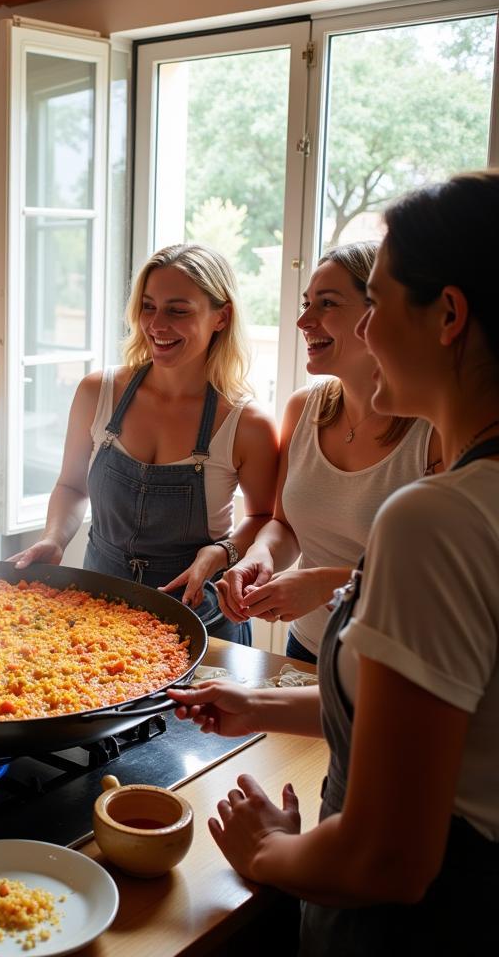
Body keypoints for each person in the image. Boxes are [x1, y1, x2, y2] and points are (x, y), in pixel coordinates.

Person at [168, 172, 499, 954]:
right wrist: (256, 707)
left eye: (375, 305)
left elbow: (386, 859)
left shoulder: (435, 517)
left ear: (448, 314)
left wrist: (268, 852)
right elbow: (434, 730)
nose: (363, 332)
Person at [12, 243, 278, 643]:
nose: (157, 324)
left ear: (221, 317)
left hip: (201, 619)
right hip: (98, 609)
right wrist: (54, 538)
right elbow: (70, 487)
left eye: (178, 310)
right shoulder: (97, 392)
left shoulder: (246, 422)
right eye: (148, 306)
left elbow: (264, 520)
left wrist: (223, 553)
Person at [216, 242, 440, 661]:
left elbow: (445, 576)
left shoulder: (435, 429)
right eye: (306, 304)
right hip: (307, 646)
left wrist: (325, 585)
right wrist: (260, 556)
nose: (303, 320)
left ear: (381, 313)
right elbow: (285, 525)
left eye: (327, 304)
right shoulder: (304, 407)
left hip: (396, 664)